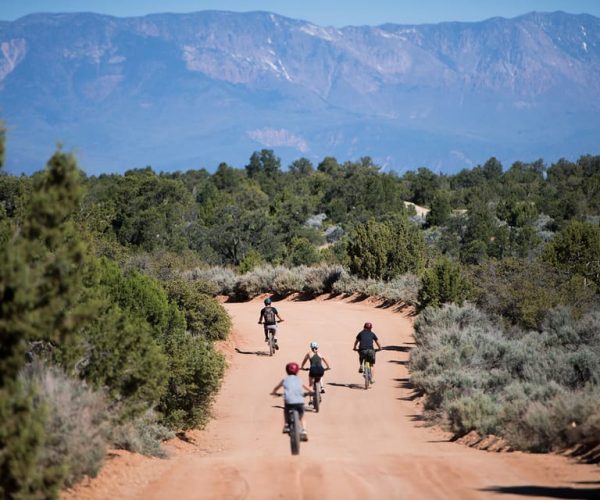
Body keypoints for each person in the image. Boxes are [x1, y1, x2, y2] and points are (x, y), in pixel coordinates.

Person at [271, 362, 310, 441]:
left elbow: (276, 388)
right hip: (299, 403)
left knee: (286, 411)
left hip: (289, 403)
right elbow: (309, 389)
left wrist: (274, 392)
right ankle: (304, 431)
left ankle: (286, 425)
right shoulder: (299, 380)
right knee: (302, 417)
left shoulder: (285, 380)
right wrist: (311, 392)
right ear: (297, 371)